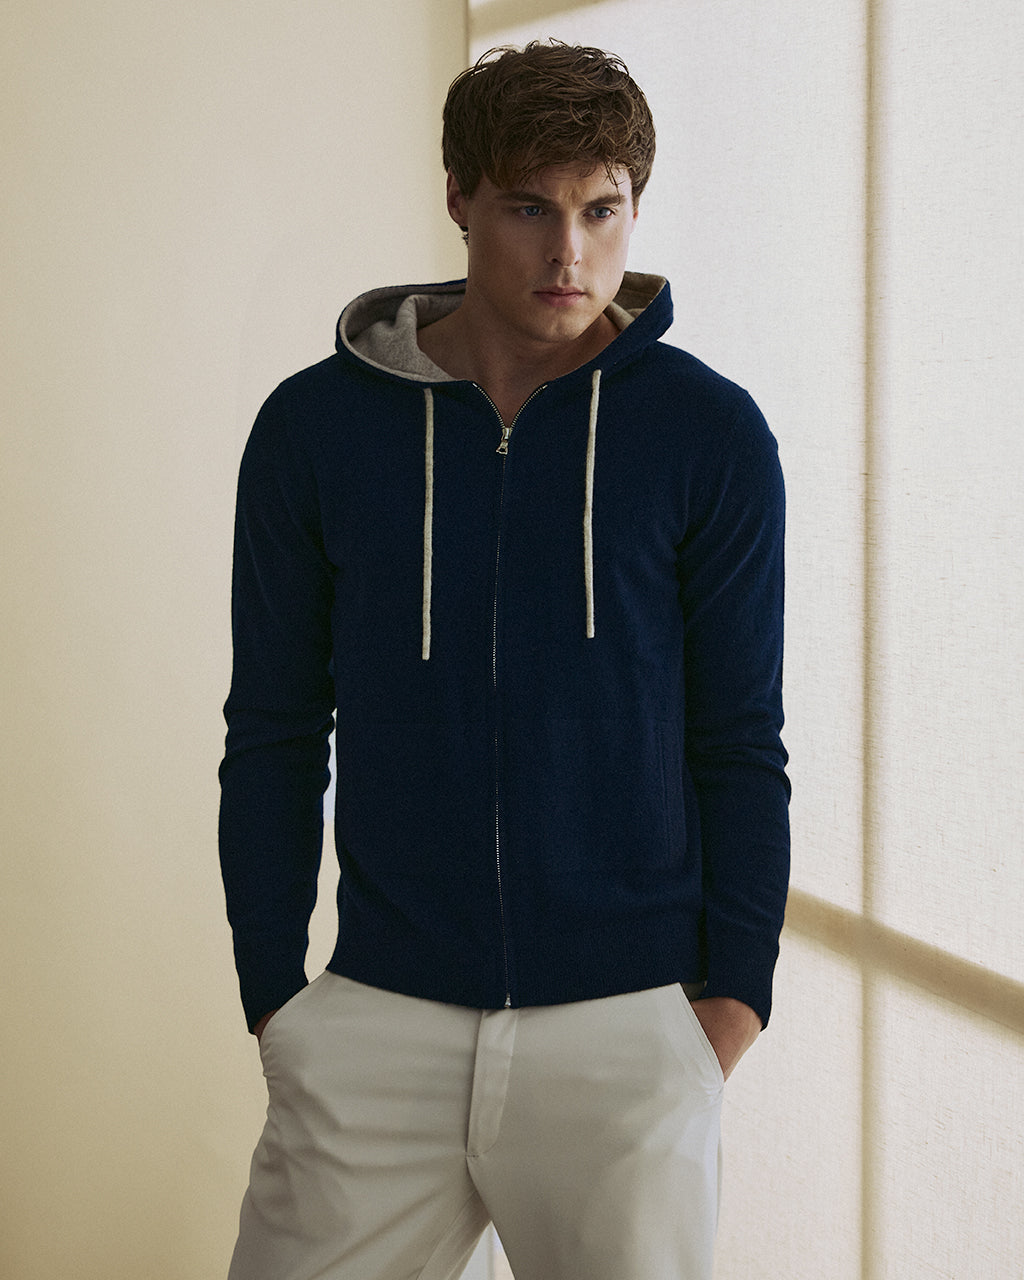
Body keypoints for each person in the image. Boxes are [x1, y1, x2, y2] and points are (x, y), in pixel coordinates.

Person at [219, 39, 789, 1280]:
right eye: (530, 208)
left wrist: (726, 1006)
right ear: (458, 198)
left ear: (633, 208)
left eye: (601, 211)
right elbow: (273, 724)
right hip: (377, 1019)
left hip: (627, 1033)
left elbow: (740, 737)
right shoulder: (315, 429)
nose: (567, 253)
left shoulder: (708, 435)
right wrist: (276, 995)